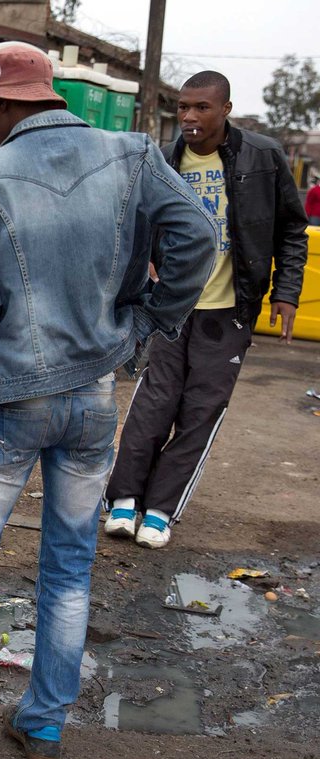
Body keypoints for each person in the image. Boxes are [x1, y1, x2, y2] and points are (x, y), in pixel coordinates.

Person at [0, 45, 216, 759]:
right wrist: (146, 322)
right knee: (70, 566)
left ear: (10, 102)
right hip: (93, 400)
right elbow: (198, 237)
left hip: (13, 400)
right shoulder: (132, 154)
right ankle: (44, 725)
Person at [103, 71, 309, 549]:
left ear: (226, 110)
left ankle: (160, 510)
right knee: (153, 402)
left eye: (202, 107)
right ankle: (124, 500)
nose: (190, 117)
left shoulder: (263, 156)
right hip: (171, 306)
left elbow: (291, 230)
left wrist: (286, 291)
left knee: (201, 410)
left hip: (229, 309)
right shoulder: (162, 159)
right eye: (183, 107)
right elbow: (135, 223)